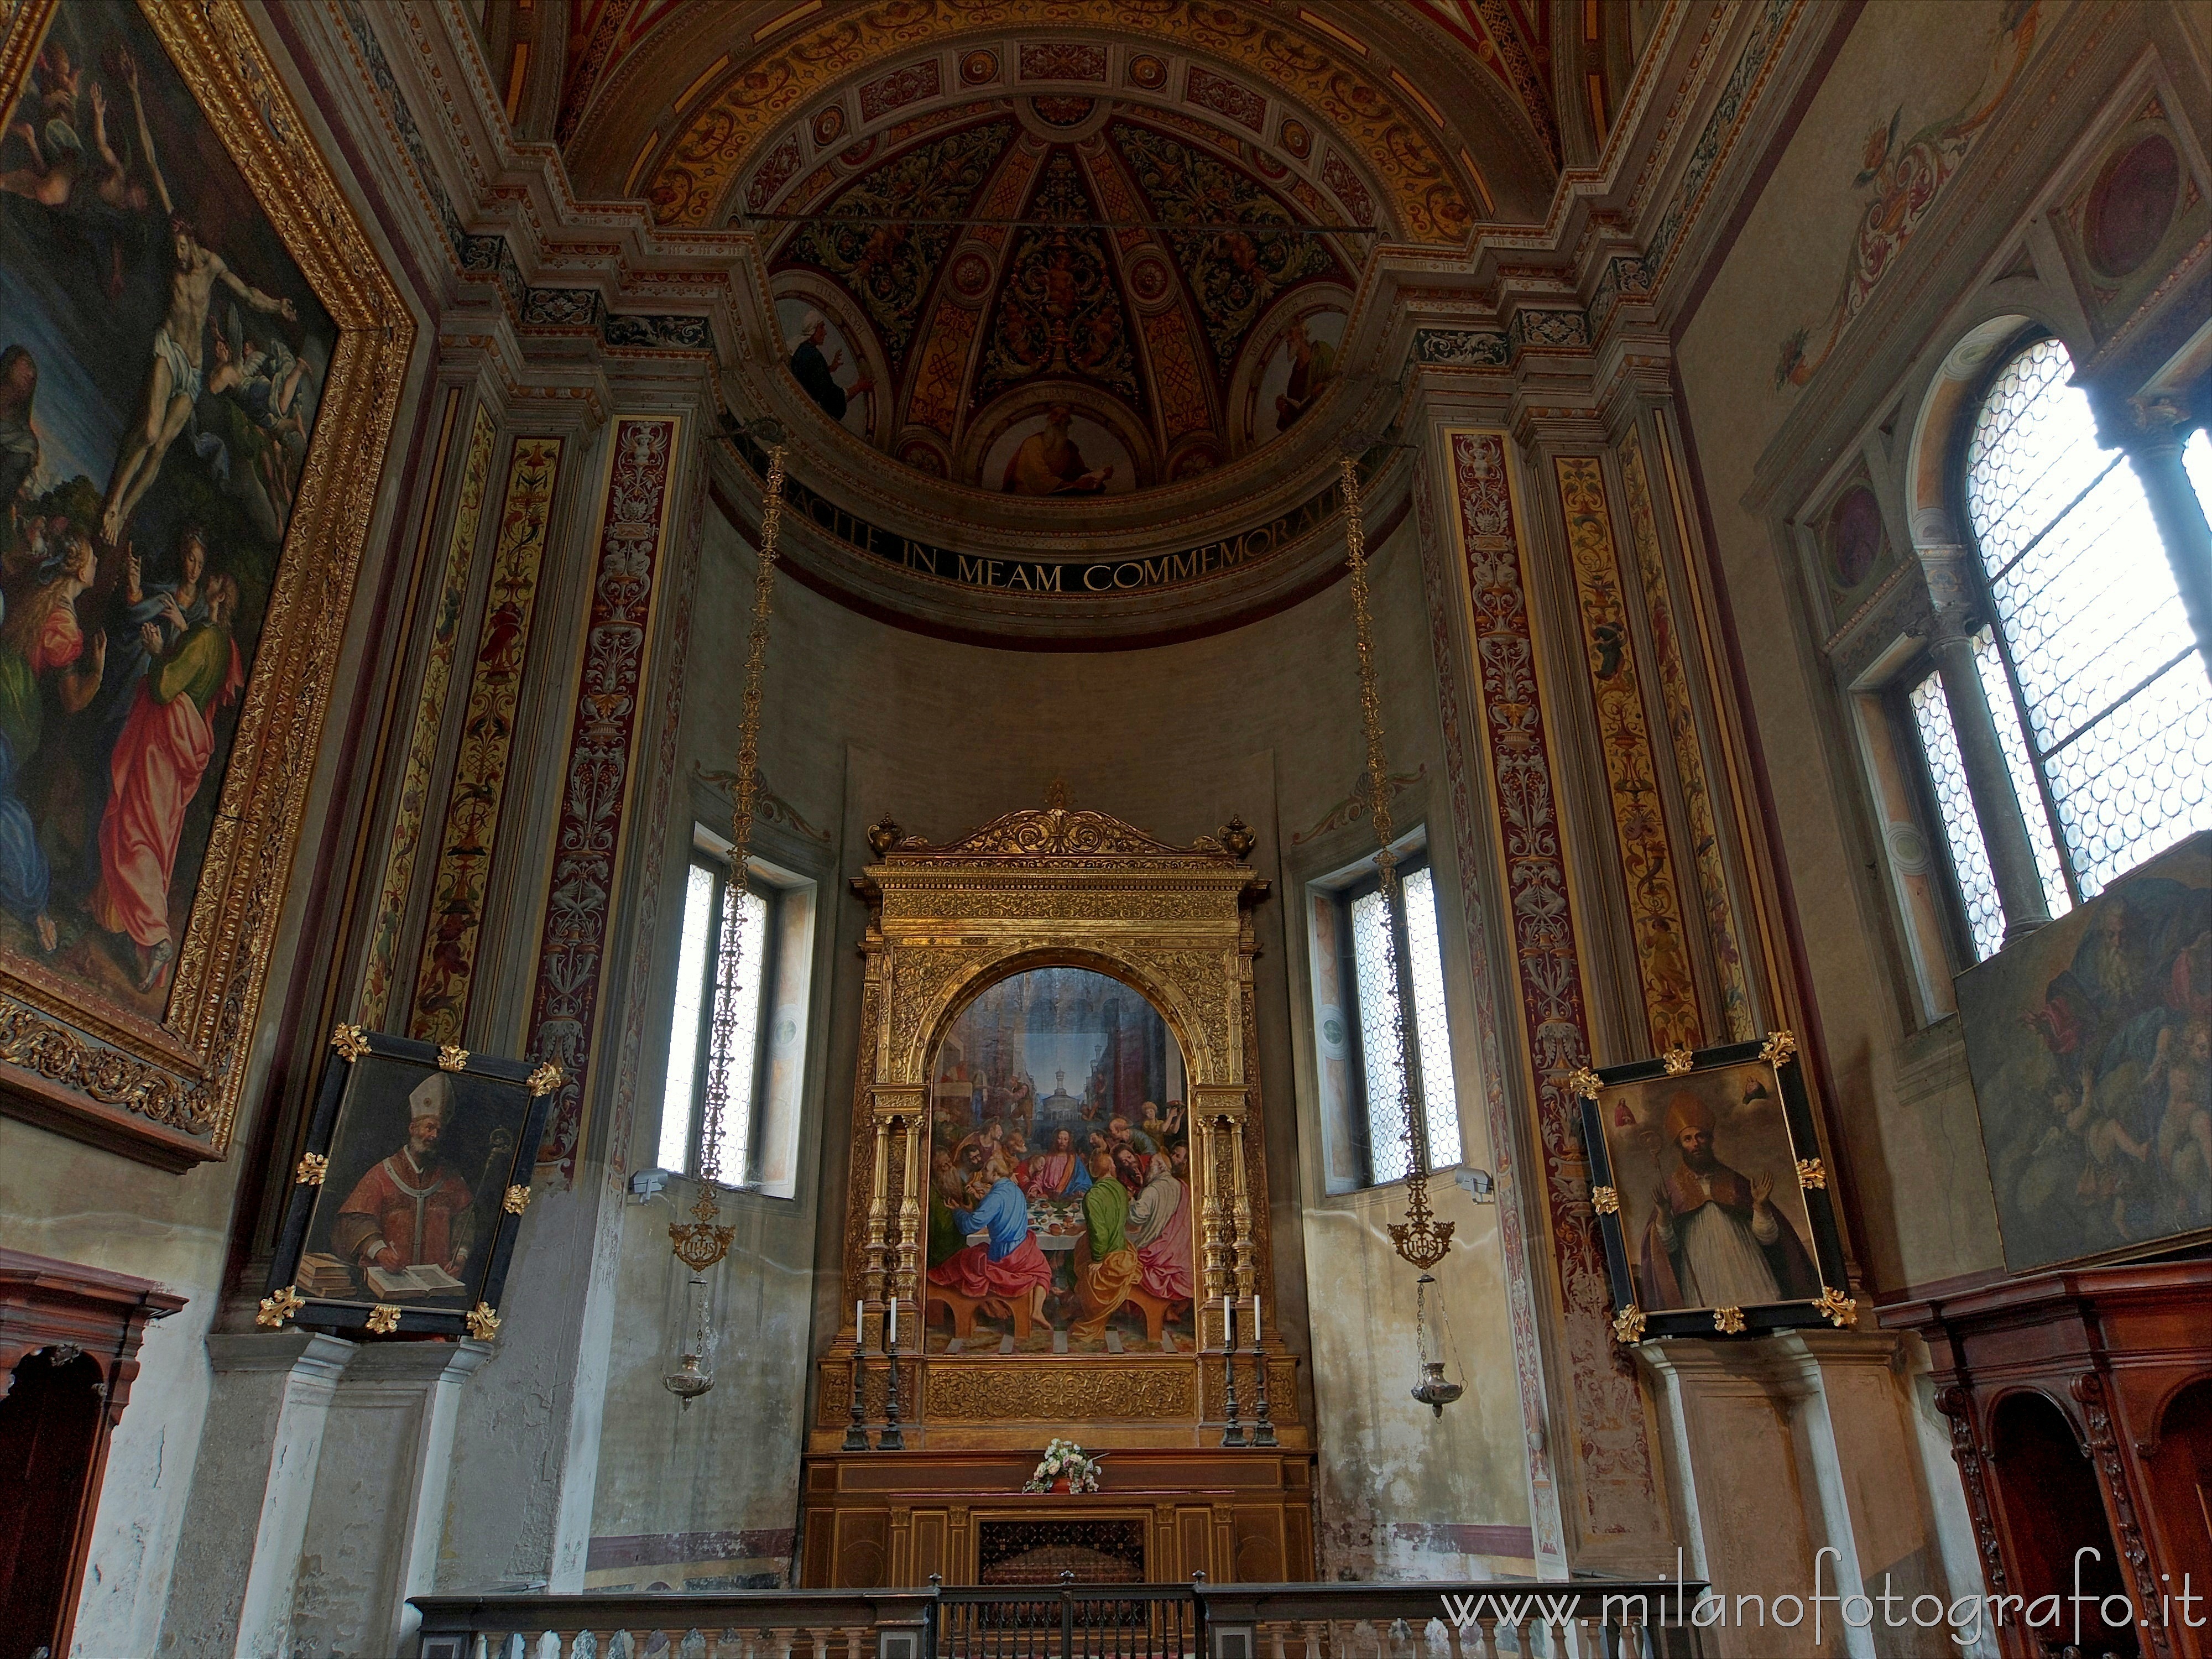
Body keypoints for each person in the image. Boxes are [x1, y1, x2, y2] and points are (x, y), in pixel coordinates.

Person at [100, 208, 299, 544]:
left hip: (192, 369)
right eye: (173, 248)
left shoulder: (213, 266)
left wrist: (278, 306)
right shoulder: (174, 267)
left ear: (191, 240)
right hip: (169, 352)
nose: (177, 255)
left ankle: (124, 512)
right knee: (149, 432)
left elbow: (249, 295)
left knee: (161, 446)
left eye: (181, 246)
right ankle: (114, 501)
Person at [90, 570, 244, 992]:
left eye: (211, 580)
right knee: (154, 835)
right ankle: (112, 913)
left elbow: (164, 688)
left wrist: (159, 652)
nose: (201, 576)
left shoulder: (204, 639)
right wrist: (180, 632)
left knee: (136, 832)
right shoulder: (223, 645)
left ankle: (156, 936)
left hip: (163, 743)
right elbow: (198, 683)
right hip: (182, 747)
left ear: (218, 594)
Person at [0, 529, 106, 951]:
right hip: (13, 710)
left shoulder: (39, 594)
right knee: (7, 813)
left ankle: (33, 903)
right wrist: (97, 671)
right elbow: (74, 700)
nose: (96, 567)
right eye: (94, 561)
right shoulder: (63, 621)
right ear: (81, 569)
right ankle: (33, 902)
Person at [1639, 1092, 1819, 1309]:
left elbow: (1768, 1239)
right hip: (1702, 1277)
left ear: (1710, 1139)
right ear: (1680, 1146)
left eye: (1700, 1136)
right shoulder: (1673, 1190)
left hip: (1749, 1272)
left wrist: (1761, 1208)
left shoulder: (1735, 1182)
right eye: (1688, 1139)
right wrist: (1665, 1217)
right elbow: (1667, 1249)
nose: (1695, 1143)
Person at [330, 1072, 475, 1288]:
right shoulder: (382, 1174)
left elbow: (466, 1221)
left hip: (435, 1284)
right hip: (387, 1281)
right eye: (429, 1127)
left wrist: (460, 1257)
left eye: (439, 1130)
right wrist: (379, 1250)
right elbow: (355, 1220)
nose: (434, 1136)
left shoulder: (451, 1179)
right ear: (413, 1129)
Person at [927, 1167, 1054, 1329]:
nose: (982, 1172)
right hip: (1023, 1249)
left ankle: (988, 1300)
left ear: (995, 1174)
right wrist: (974, 1206)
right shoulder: (1015, 1190)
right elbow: (996, 1214)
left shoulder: (995, 1197)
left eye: (986, 1170)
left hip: (1004, 1256)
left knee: (969, 1260)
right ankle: (1037, 1311)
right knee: (1043, 1269)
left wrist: (957, 1212)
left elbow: (970, 1226)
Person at [1070, 1149, 1141, 1341]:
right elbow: (1113, 1221)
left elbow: (1100, 1232)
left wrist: (1099, 1260)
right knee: (1079, 1250)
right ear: (1111, 1168)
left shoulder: (1093, 1196)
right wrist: (1080, 1229)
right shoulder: (1120, 1189)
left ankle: (1086, 1313)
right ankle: (1074, 1302)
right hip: (1123, 1251)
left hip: (1109, 1257)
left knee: (1079, 1262)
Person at [1120, 1147, 1192, 1306]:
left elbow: (1136, 1217)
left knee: (1121, 1256)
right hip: (1176, 1252)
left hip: (1156, 1251)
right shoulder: (1181, 1186)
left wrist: (1130, 1200)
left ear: (1158, 1168)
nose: (1146, 1171)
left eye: (1150, 1166)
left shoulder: (1152, 1190)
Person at [1001, 404, 1112, 495]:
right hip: (1030, 494)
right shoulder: (1033, 443)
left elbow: (1079, 472)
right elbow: (1038, 478)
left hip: (1056, 491)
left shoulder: (1069, 447)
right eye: (1055, 414)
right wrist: (1074, 484)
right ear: (1049, 418)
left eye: (1063, 416)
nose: (1058, 419)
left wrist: (1102, 474)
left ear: (1068, 422)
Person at [789, 312, 870, 422]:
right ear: (813, 330)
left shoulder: (802, 350)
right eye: (821, 327)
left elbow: (810, 376)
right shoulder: (814, 356)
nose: (825, 332)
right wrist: (859, 387)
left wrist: (830, 368)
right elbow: (830, 396)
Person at [1272, 318, 1335, 431]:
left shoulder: (1322, 351)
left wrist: (1323, 386)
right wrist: (1284, 409)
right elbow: (1296, 419)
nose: (1287, 340)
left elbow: (1341, 376)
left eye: (1291, 334)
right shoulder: (1295, 374)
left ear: (1301, 335)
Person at [0, 347, 40, 524]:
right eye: (26, 365)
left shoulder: (24, 443)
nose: (30, 375)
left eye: (32, 376)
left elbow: (3, 493)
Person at [1024, 1126, 1092, 1199]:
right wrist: (1035, 1190)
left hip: (1068, 1197)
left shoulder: (1074, 1160)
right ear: (1055, 1140)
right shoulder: (1049, 1157)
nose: (1062, 1142)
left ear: (1069, 1142)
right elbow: (1039, 1178)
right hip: (1047, 1195)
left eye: (1065, 1139)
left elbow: (1083, 1180)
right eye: (1060, 1138)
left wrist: (1080, 1191)